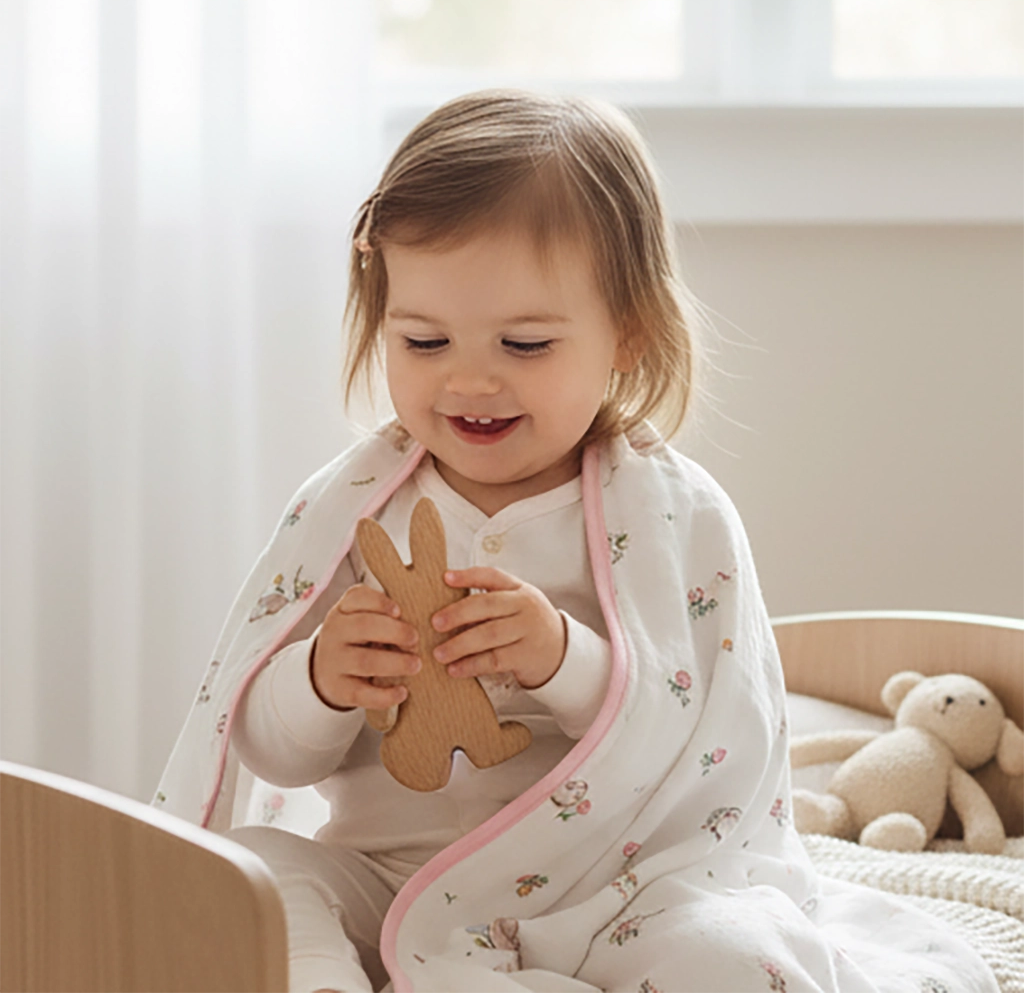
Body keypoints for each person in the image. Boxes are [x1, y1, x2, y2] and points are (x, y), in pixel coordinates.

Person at [153, 90, 999, 993]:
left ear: (626, 333)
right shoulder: (347, 513)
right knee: (253, 876)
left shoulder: (674, 517)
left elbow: (703, 736)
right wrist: (320, 679)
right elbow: (266, 749)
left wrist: (564, 659)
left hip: (620, 889)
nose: (470, 378)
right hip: (390, 878)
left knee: (736, 960)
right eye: (425, 339)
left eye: (524, 343)